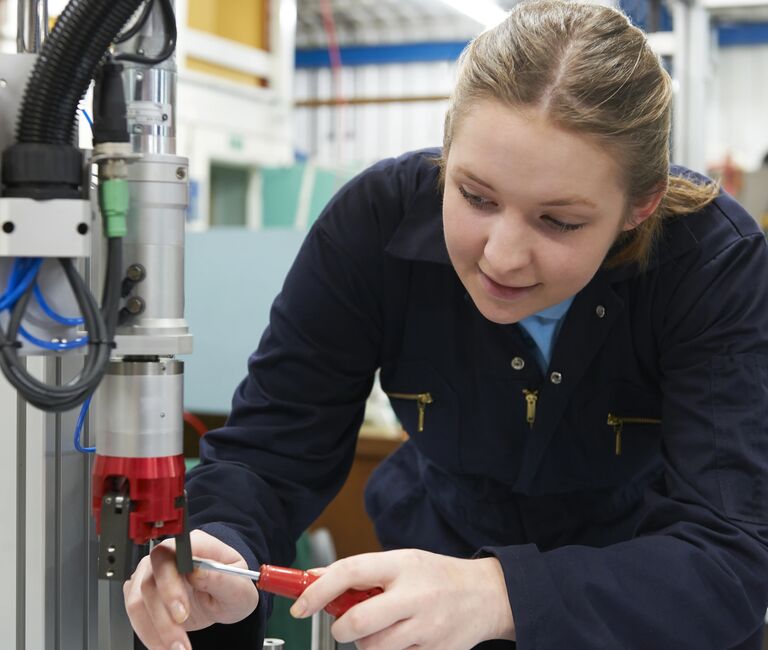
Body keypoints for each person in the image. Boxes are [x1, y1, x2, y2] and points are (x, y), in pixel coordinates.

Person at [124, 1, 768, 648]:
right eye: (475, 197)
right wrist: (221, 546)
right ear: (446, 151)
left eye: (559, 222)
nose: (501, 256)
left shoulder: (712, 264)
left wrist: (503, 593)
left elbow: (732, 554)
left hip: (646, 605)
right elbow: (270, 455)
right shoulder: (373, 226)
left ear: (640, 205)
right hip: (439, 578)